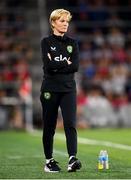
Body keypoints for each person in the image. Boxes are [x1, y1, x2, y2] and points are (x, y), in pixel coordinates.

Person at [40, 9, 82, 172]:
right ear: (53, 23)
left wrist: (58, 66)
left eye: (67, 22)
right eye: (62, 21)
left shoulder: (73, 43)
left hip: (68, 89)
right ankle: (49, 161)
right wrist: (66, 64)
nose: (65, 24)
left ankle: (72, 158)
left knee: (70, 123)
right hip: (50, 89)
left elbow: (76, 66)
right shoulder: (46, 42)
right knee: (49, 125)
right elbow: (48, 67)